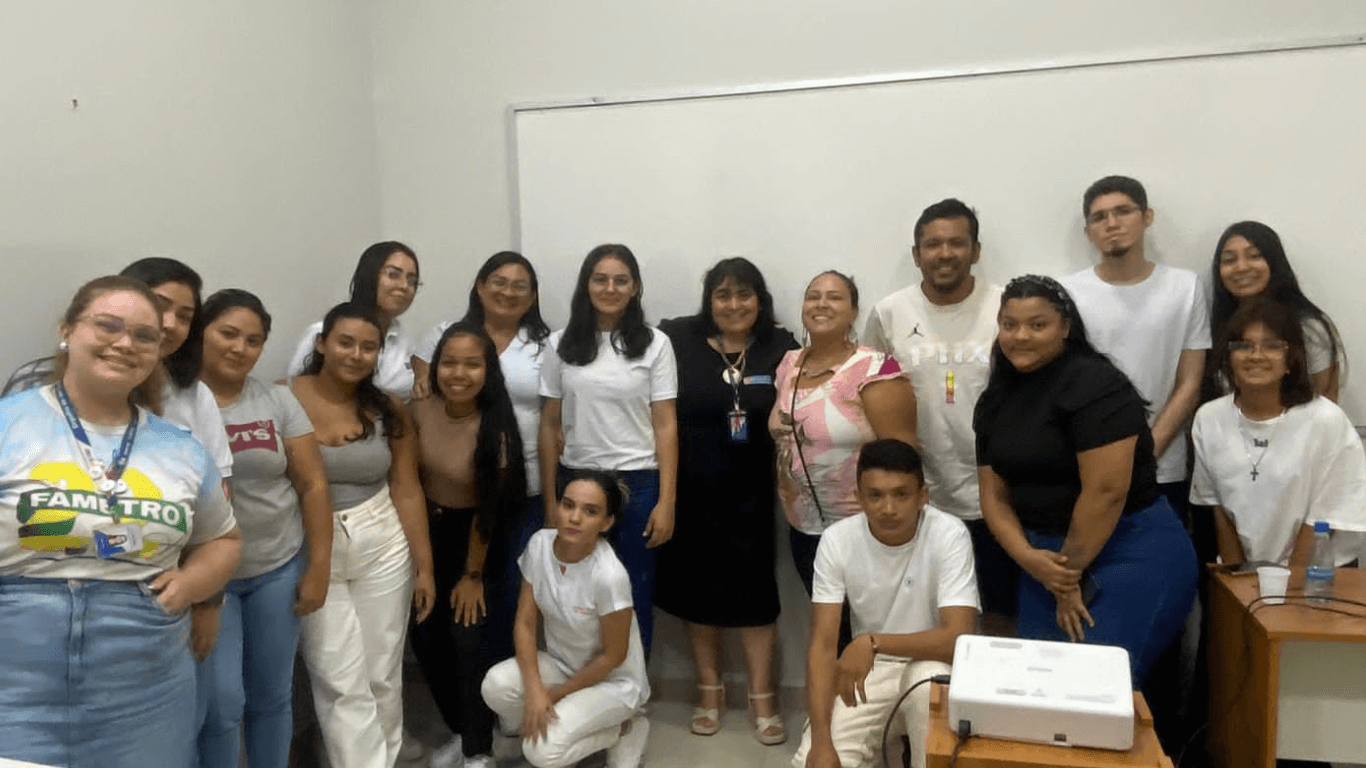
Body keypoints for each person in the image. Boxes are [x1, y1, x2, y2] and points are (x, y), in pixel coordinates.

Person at [0, 276, 241, 768]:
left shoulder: (181, 448)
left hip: (145, 688)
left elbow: (225, 540)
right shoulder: (10, 423)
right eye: (107, 326)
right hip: (15, 677)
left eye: (144, 336)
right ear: (68, 331)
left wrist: (192, 584)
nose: (125, 343)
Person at [973, 275, 1198, 685]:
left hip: (1127, 548)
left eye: (1037, 324)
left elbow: (1106, 492)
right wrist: (1030, 559)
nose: (1021, 336)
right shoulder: (995, 399)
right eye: (1009, 325)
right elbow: (993, 495)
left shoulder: (1095, 384)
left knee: (1094, 689)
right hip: (1043, 561)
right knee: (1037, 689)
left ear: (1065, 327)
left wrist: (1067, 576)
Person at [656, 257, 798, 744]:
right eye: (723, 294)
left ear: (760, 300)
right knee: (699, 596)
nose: (733, 304)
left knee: (756, 599)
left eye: (744, 294)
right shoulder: (679, 340)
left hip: (753, 496)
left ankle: (764, 698)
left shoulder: (780, 347)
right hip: (691, 492)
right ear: (708, 300)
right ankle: (709, 692)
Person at [290, 302, 436, 768]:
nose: (356, 355)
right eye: (345, 343)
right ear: (321, 344)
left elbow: (407, 488)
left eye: (368, 347)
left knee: (382, 674)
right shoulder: (282, 398)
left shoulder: (389, 408)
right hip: (313, 546)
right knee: (338, 679)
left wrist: (425, 567)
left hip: (382, 538)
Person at [193, 289, 334, 768]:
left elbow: (313, 484)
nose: (240, 348)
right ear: (201, 332)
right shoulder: (173, 402)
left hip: (277, 566)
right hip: (209, 579)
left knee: (272, 696)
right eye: (228, 334)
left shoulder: (277, 399)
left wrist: (319, 568)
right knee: (222, 703)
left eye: (253, 341)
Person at [865, 198, 1016, 634]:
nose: (945, 253)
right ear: (917, 255)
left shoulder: (1005, 307)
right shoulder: (889, 313)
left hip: (1000, 494)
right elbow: (869, 394)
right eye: (932, 245)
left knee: (1002, 615)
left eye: (957, 243)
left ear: (976, 250)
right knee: (930, 617)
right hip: (920, 497)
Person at [791, 439, 978, 768]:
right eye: (875, 495)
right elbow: (822, 645)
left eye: (901, 494)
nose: (888, 508)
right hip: (868, 671)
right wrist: (821, 740)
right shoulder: (837, 540)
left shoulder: (949, 534)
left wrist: (873, 642)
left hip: (934, 665)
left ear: (923, 496)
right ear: (859, 497)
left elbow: (957, 638)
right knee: (817, 761)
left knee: (927, 683)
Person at [538, 244, 678, 656]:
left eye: (621, 280)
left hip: (638, 484)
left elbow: (666, 425)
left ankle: (630, 687)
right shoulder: (560, 345)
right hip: (577, 481)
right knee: (576, 593)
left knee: (633, 592)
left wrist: (667, 501)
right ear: (586, 285)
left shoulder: (655, 344)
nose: (610, 288)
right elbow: (548, 426)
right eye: (600, 279)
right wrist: (550, 501)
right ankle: (582, 680)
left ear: (635, 287)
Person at [411, 251, 552, 636]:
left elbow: (555, 419)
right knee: (437, 611)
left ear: (533, 295)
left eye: (519, 286)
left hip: (521, 486)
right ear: (479, 286)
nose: (508, 292)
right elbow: (424, 390)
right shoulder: (446, 334)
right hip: (449, 485)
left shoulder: (546, 345)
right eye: (498, 282)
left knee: (504, 596)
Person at [409, 322, 528, 768]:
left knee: (468, 643)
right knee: (425, 639)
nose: (459, 374)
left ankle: (478, 752)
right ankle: (463, 733)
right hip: (426, 533)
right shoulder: (419, 410)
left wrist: (472, 575)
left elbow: (489, 510)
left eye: (472, 364)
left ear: (488, 370)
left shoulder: (495, 426)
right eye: (449, 363)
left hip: (477, 539)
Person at [1060, 176, 1210, 517]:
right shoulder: (1068, 293)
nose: (1112, 223)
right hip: (1087, 469)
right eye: (1099, 217)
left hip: (1162, 468)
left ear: (1147, 217)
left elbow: (1189, 383)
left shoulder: (1185, 287)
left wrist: (1144, 455)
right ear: (1088, 231)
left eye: (1123, 211)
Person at [480, 469, 651, 768]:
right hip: (562, 665)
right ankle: (553, 725)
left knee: (541, 752)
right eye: (568, 505)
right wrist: (535, 690)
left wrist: (557, 694)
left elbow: (613, 656)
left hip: (613, 684)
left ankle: (624, 728)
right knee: (495, 685)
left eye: (590, 511)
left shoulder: (609, 576)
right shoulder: (539, 544)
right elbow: (525, 623)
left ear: (606, 523)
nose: (574, 518)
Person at [769, 269, 917, 596]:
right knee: (828, 621)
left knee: (870, 622)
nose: (822, 304)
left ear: (853, 313)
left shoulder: (878, 367)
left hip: (866, 530)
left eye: (834, 297)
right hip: (804, 531)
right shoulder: (789, 364)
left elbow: (904, 455)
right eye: (813, 297)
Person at [1190, 299, 1366, 568]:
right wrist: (1239, 582)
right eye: (1243, 346)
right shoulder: (1209, 419)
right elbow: (1219, 511)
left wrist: (1287, 586)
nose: (1256, 355)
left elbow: (1322, 519)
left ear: (1290, 361)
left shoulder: (1326, 420)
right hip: (1249, 572)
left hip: (1317, 574)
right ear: (1229, 358)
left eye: (1272, 346)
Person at [1208, 220, 1345, 401]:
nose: (1241, 267)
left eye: (1255, 256)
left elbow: (1327, 402)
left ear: (1275, 263)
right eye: (1229, 260)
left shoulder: (1309, 328)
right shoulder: (1216, 326)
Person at [285, 241, 421, 399]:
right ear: (369, 276)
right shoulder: (324, 330)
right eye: (393, 275)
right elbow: (293, 393)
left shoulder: (404, 337)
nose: (404, 286)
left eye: (412, 281)